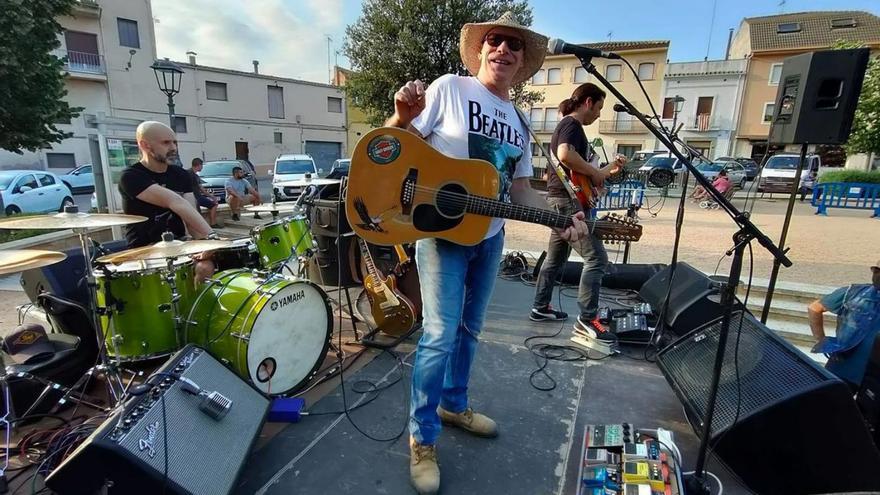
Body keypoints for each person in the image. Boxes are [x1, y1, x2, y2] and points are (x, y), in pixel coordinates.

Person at [385, 12, 588, 494]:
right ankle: (422, 437)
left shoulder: (520, 122)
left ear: (523, 64)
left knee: (470, 331)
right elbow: (395, 146)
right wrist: (399, 115)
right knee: (438, 335)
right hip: (440, 233)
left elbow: (520, 192)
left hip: (490, 236)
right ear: (480, 50)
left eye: (514, 46)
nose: (503, 49)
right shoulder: (450, 89)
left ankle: (453, 404)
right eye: (495, 41)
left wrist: (563, 215)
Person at [530, 83, 624, 342]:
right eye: (599, 108)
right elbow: (564, 155)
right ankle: (587, 320)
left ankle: (540, 306)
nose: (598, 114)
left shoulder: (567, 126)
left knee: (556, 258)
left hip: (560, 198)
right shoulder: (572, 125)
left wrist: (605, 170)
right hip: (568, 202)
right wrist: (595, 172)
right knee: (596, 259)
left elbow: (581, 169)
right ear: (587, 102)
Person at [118, 121, 215, 282]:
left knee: (206, 267)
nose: (173, 148)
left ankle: (195, 305)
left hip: (178, 244)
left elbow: (191, 214)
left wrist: (205, 244)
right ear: (145, 145)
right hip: (144, 249)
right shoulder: (131, 176)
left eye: (175, 142)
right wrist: (212, 236)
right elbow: (174, 201)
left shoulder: (181, 175)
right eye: (166, 142)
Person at [809, 260, 880, 390]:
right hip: (842, 369)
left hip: (873, 379)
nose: (877, 275)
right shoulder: (853, 292)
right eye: (876, 270)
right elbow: (815, 308)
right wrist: (822, 340)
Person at [188, 158, 219, 228]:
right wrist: (212, 197)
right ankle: (213, 223)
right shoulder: (193, 175)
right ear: (198, 165)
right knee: (214, 205)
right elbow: (201, 189)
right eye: (201, 166)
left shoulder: (188, 173)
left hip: (191, 197)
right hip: (196, 197)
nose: (202, 167)